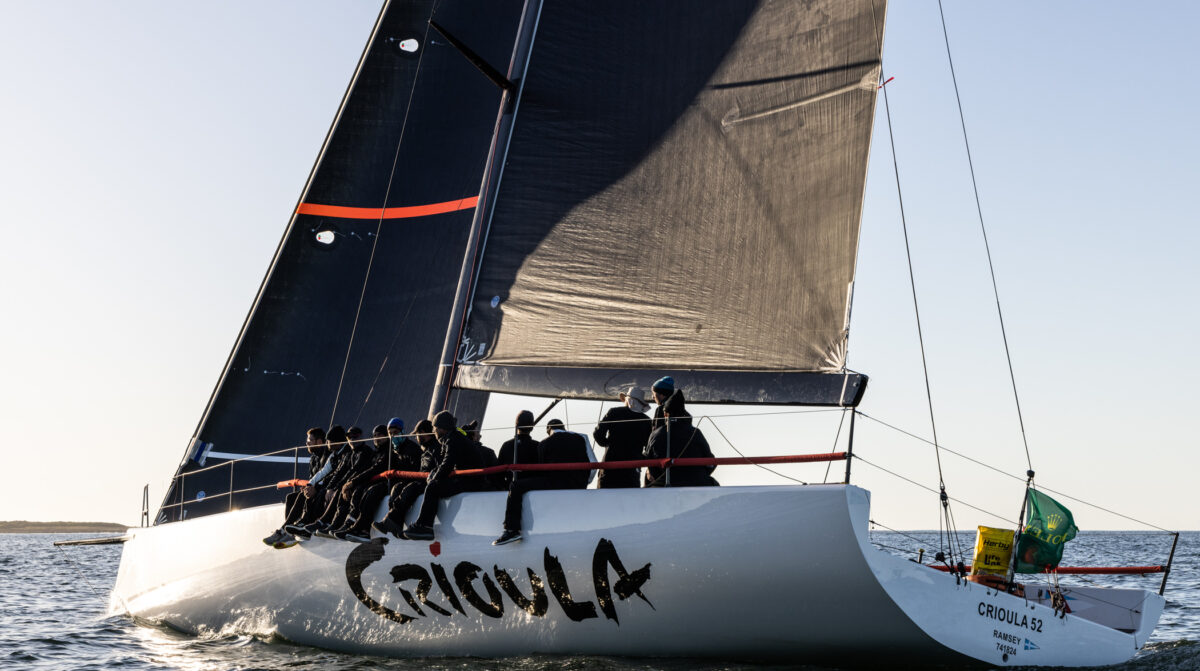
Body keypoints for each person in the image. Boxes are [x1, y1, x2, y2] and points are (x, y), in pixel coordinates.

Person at [492, 418, 592, 546]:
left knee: (516, 486)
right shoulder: (579, 439)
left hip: (555, 483)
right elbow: (590, 463)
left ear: (548, 430)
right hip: (578, 484)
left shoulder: (545, 443)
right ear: (563, 428)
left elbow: (542, 470)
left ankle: (511, 529)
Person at [403, 410, 474, 541]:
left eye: (435, 427)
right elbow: (446, 463)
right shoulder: (451, 438)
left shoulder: (452, 440)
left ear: (442, 428)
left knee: (433, 487)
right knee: (434, 485)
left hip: (470, 480)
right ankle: (428, 525)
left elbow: (448, 463)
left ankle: (424, 526)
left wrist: (434, 478)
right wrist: (434, 473)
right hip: (465, 478)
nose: (433, 431)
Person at [263, 427, 327, 548]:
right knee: (290, 497)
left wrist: (313, 488)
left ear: (319, 442)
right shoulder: (313, 457)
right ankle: (289, 532)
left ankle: (284, 530)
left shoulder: (326, 455)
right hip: (314, 488)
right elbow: (312, 477)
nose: (307, 443)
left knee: (302, 496)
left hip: (322, 490)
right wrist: (307, 487)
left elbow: (326, 477)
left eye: (310, 440)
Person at [373, 419, 437, 539]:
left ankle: (392, 520)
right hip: (419, 479)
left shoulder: (421, 449)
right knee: (397, 487)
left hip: (427, 481)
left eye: (395, 433)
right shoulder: (422, 449)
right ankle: (395, 523)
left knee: (410, 488)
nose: (392, 436)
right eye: (390, 433)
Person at [285, 425, 352, 539]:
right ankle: (299, 525)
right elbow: (323, 471)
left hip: (340, 486)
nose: (327, 443)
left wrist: (324, 487)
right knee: (305, 493)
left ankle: (309, 524)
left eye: (329, 441)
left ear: (337, 441)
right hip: (331, 485)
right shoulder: (334, 454)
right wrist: (310, 484)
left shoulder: (346, 453)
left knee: (319, 493)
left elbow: (339, 474)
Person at [643, 390, 718, 487]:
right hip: (697, 483)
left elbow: (651, 464)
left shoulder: (656, 434)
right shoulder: (696, 433)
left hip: (666, 484)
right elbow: (710, 462)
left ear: (665, 414)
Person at [593, 387, 652, 488]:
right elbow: (649, 448)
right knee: (630, 497)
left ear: (627, 400)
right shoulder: (647, 421)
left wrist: (608, 444)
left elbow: (598, 434)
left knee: (605, 496)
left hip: (610, 465)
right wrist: (638, 457)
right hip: (632, 469)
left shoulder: (614, 412)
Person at [497, 410, 540, 489]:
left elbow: (499, 472)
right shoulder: (538, 446)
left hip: (510, 488)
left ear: (516, 425)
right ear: (532, 427)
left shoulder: (506, 445)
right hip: (532, 488)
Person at [463, 419, 502, 491]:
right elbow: (498, 475)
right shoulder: (488, 452)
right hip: (485, 490)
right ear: (474, 437)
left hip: (463, 488)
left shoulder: (458, 452)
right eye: (477, 433)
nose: (480, 435)